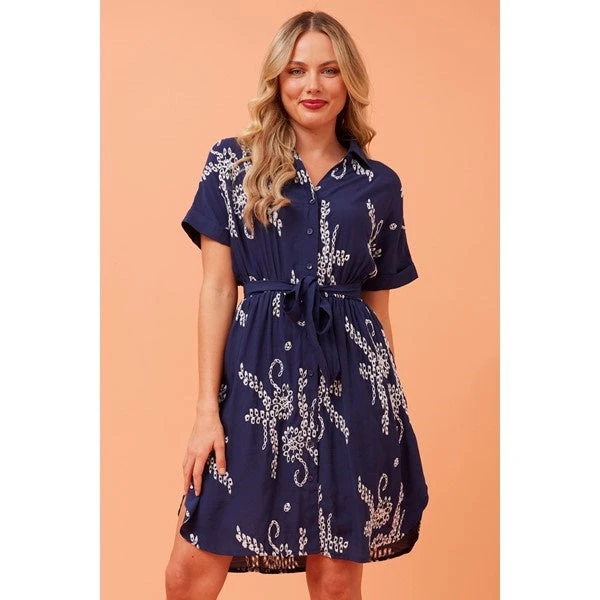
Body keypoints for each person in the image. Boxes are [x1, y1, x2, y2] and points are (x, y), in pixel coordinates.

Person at [165, 10, 429, 600]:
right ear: (277, 80)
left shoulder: (378, 185)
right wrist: (206, 411)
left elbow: (377, 309)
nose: (313, 85)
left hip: (350, 388)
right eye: (297, 70)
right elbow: (217, 289)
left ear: (348, 81)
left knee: (335, 580)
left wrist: (387, 412)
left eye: (329, 70)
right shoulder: (231, 165)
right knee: (190, 571)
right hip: (256, 384)